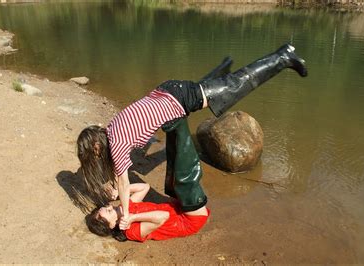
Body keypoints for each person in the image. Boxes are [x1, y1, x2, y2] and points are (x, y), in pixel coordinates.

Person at [77, 43, 308, 228]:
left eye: (93, 156)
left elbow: (123, 179)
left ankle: (283, 57)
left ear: (96, 147)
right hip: (167, 91)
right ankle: (221, 71)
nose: (96, 159)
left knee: (237, 85)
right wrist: (116, 188)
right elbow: (139, 126)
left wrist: (126, 214)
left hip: (176, 98)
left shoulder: (115, 145)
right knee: (210, 93)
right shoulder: (113, 127)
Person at [85, 182, 210, 242]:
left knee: (175, 178)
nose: (110, 207)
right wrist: (133, 218)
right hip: (188, 222)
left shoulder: (125, 208)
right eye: (108, 212)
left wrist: (121, 192)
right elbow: (163, 216)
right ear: (112, 225)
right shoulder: (131, 231)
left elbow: (145, 187)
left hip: (176, 207)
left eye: (107, 207)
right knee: (186, 179)